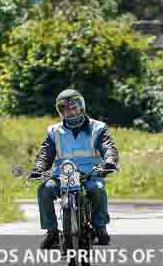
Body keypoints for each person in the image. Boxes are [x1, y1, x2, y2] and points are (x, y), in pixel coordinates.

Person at [28, 89, 119, 249]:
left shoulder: (98, 128)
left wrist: (110, 160)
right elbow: (45, 153)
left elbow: (108, 146)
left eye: (73, 107)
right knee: (45, 190)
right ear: (61, 111)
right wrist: (39, 168)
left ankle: (100, 227)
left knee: (97, 189)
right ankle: (52, 232)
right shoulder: (54, 131)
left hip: (90, 174)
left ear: (81, 107)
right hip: (62, 175)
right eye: (65, 108)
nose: (70, 111)